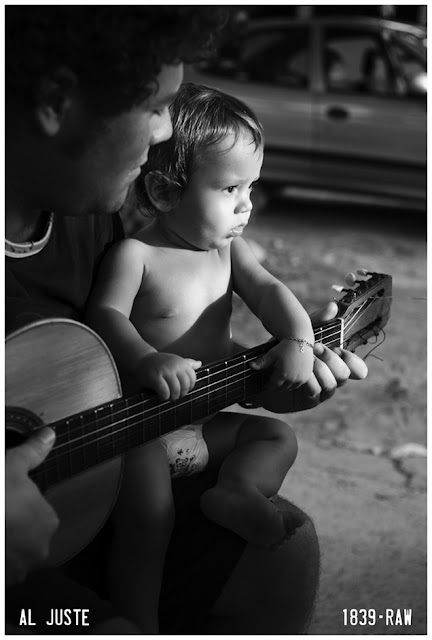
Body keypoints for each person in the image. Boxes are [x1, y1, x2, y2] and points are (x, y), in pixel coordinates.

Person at [5, 5, 368, 635]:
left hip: (131, 453)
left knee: (285, 549)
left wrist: (281, 375)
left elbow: (241, 299)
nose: (164, 133)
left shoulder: (101, 207)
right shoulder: (126, 237)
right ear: (56, 101)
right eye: (155, 105)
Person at [86, 83, 316, 630]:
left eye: (252, 188)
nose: (246, 206)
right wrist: (146, 359)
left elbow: (268, 291)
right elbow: (105, 317)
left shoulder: (229, 249)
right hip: (140, 426)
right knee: (151, 522)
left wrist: (299, 338)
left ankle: (238, 489)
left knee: (275, 436)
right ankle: (138, 619)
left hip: (202, 423)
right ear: (167, 193)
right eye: (230, 187)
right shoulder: (136, 255)